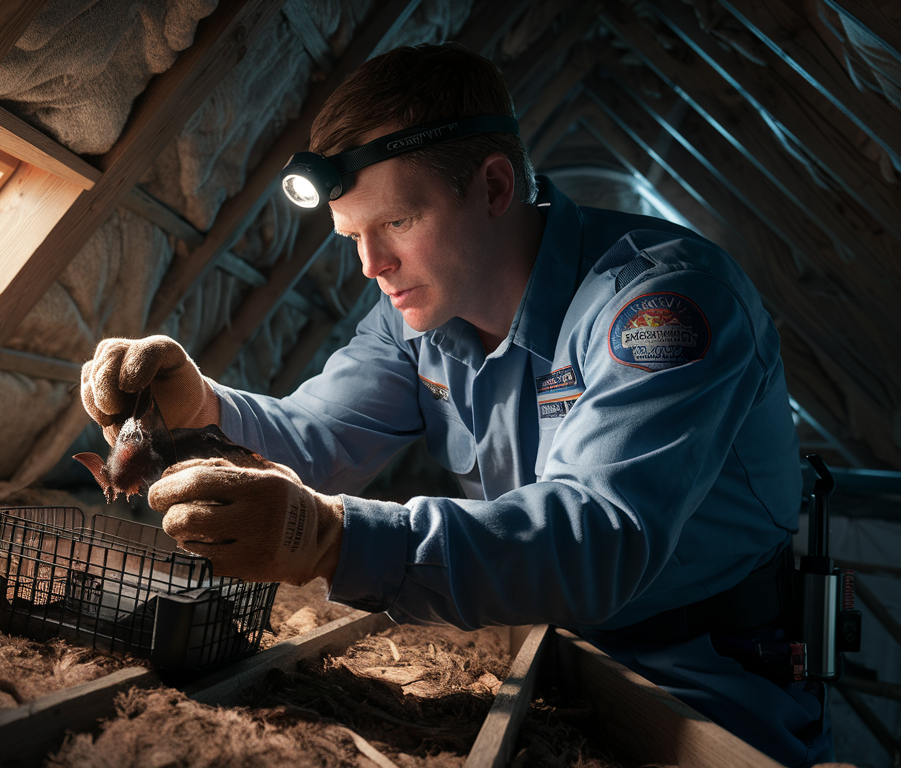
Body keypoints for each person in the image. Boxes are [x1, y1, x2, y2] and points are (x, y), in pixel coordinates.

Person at [80, 44, 830, 766]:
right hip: (542, 647)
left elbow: (597, 539)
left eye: (397, 223)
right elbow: (319, 433)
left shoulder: (661, 307)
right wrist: (201, 407)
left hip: (701, 677)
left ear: (496, 187)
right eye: (354, 236)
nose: (372, 265)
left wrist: (334, 539)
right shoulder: (421, 319)